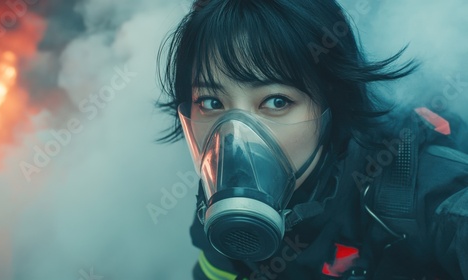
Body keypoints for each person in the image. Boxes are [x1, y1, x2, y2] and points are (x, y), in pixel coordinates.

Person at [157, 0, 468, 279]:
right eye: (211, 103)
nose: (234, 143)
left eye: (276, 101)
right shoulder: (222, 206)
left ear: (333, 105)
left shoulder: (425, 196)